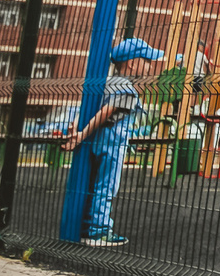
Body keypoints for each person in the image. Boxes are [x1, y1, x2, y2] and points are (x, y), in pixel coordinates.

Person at [58, 37, 163, 248]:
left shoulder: (106, 83)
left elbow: (89, 108)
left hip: (97, 140)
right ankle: (99, 231)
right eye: (146, 60)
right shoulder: (127, 89)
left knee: (93, 184)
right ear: (132, 63)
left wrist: (78, 128)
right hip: (113, 142)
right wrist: (81, 134)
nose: (150, 66)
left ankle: (87, 226)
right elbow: (106, 112)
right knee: (107, 186)